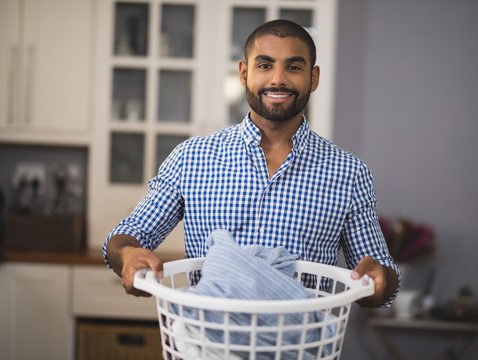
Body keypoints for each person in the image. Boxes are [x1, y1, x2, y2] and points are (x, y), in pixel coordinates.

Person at [103, 19, 400, 307]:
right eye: (265, 65)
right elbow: (130, 234)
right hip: (206, 343)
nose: (278, 79)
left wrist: (380, 281)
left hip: (298, 349)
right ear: (244, 73)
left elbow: (380, 271)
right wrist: (128, 254)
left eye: (294, 67)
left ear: (314, 77)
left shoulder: (349, 173)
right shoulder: (190, 158)